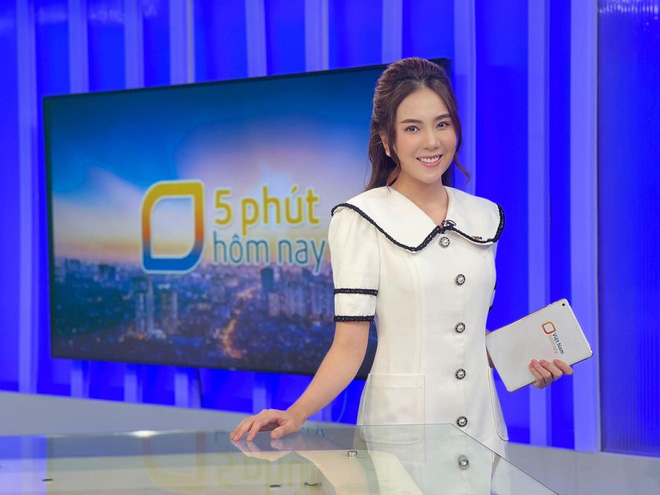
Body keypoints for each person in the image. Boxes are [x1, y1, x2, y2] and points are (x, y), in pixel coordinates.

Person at [231, 57, 572, 456]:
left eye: (442, 124)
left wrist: (527, 363)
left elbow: (466, 337)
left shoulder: (484, 216)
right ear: (387, 140)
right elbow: (349, 347)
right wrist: (297, 412)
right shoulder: (361, 219)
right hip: (401, 435)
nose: (432, 142)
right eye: (412, 128)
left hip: (482, 431)